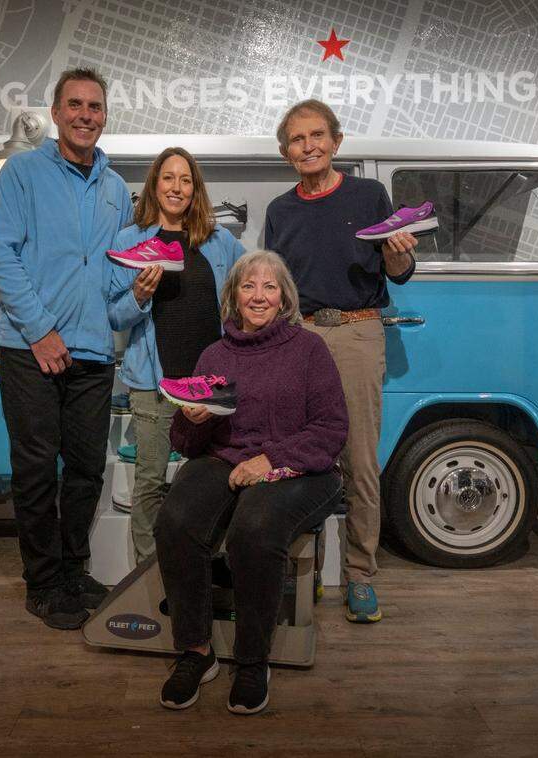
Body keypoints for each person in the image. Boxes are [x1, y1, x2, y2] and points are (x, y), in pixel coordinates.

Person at [154, 250, 348, 715]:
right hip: (227, 458)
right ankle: (196, 653)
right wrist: (194, 419)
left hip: (299, 465)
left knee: (254, 531)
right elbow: (185, 441)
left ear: (284, 298)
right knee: (175, 522)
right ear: (233, 296)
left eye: (269, 287)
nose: (258, 296)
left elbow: (330, 430)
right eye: (248, 286)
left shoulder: (310, 350)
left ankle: (252, 660)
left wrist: (271, 460)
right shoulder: (214, 354)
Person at [0, 68, 133, 630]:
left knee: (88, 468)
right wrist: (41, 332)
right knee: (38, 469)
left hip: (93, 351)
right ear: (55, 111)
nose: (85, 115)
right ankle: (42, 583)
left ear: (105, 114)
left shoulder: (116, 189)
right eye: (75, 104)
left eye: (95, 106)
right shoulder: (22, 172)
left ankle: (72, 569)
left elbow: (114, 273)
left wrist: (136, 290)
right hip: (29, 347)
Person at [264, 99, 417, 624]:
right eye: (297, 139)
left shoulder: (370, 195)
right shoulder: (280, 211)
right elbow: (276, 287)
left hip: (356, 333)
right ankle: (303, 570)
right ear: (286, 151)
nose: (308, 146)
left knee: (358, 460)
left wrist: (399, 254)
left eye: (317, 136)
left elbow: (398, 270)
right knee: (296, 456)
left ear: (336, 141)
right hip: (300, 336)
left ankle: (360, 575)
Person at [108, 147, 244, 565]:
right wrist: (139, 295)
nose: (177, 187)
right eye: (168, 177)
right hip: (154, 383)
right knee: (150, 482)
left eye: (185, 180)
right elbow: (115, 315)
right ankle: (150, 575)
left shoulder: (220, 241)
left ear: (195, 189)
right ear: (155, 184)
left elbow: (243, 303)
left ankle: (209, 566)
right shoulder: (128, 241)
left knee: (216, 480)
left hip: (209, 386)